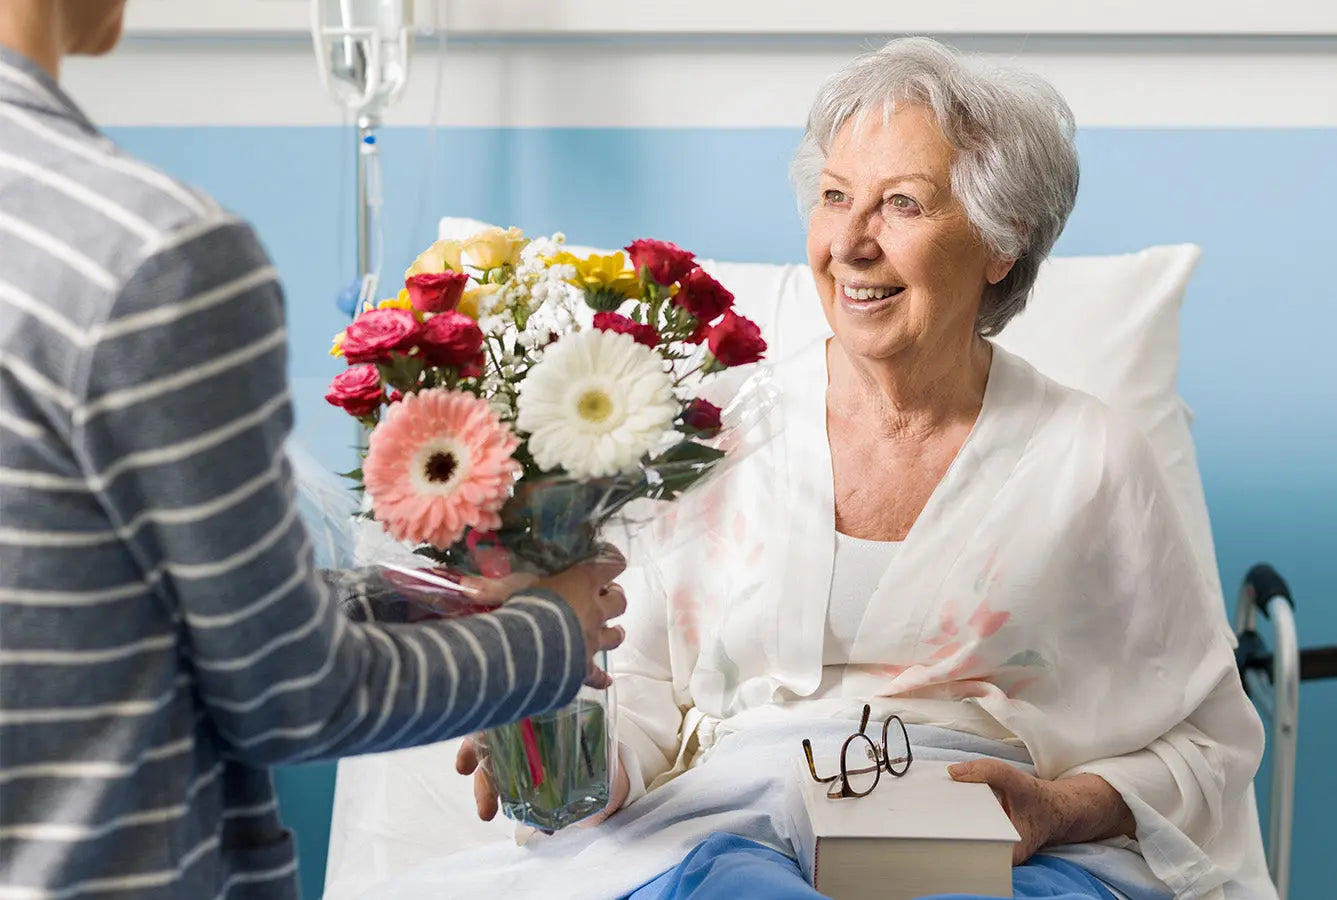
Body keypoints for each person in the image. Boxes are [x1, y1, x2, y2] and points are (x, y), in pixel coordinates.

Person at [417, 37, 1277, 900]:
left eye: (901, 204)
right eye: (836, 198)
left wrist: (1057, 809)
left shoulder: (1093, 458)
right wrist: (554, 747)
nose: (852, 244)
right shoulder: (716, 435)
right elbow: (640, 698)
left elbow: (1209, 740)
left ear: (998, 245)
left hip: (1006, 852)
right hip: (738, 830)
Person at [0, 3, 626, 898]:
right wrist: (552, 635)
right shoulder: (152, 259)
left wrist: (428, 597)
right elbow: (292, 697)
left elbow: (108, 611)